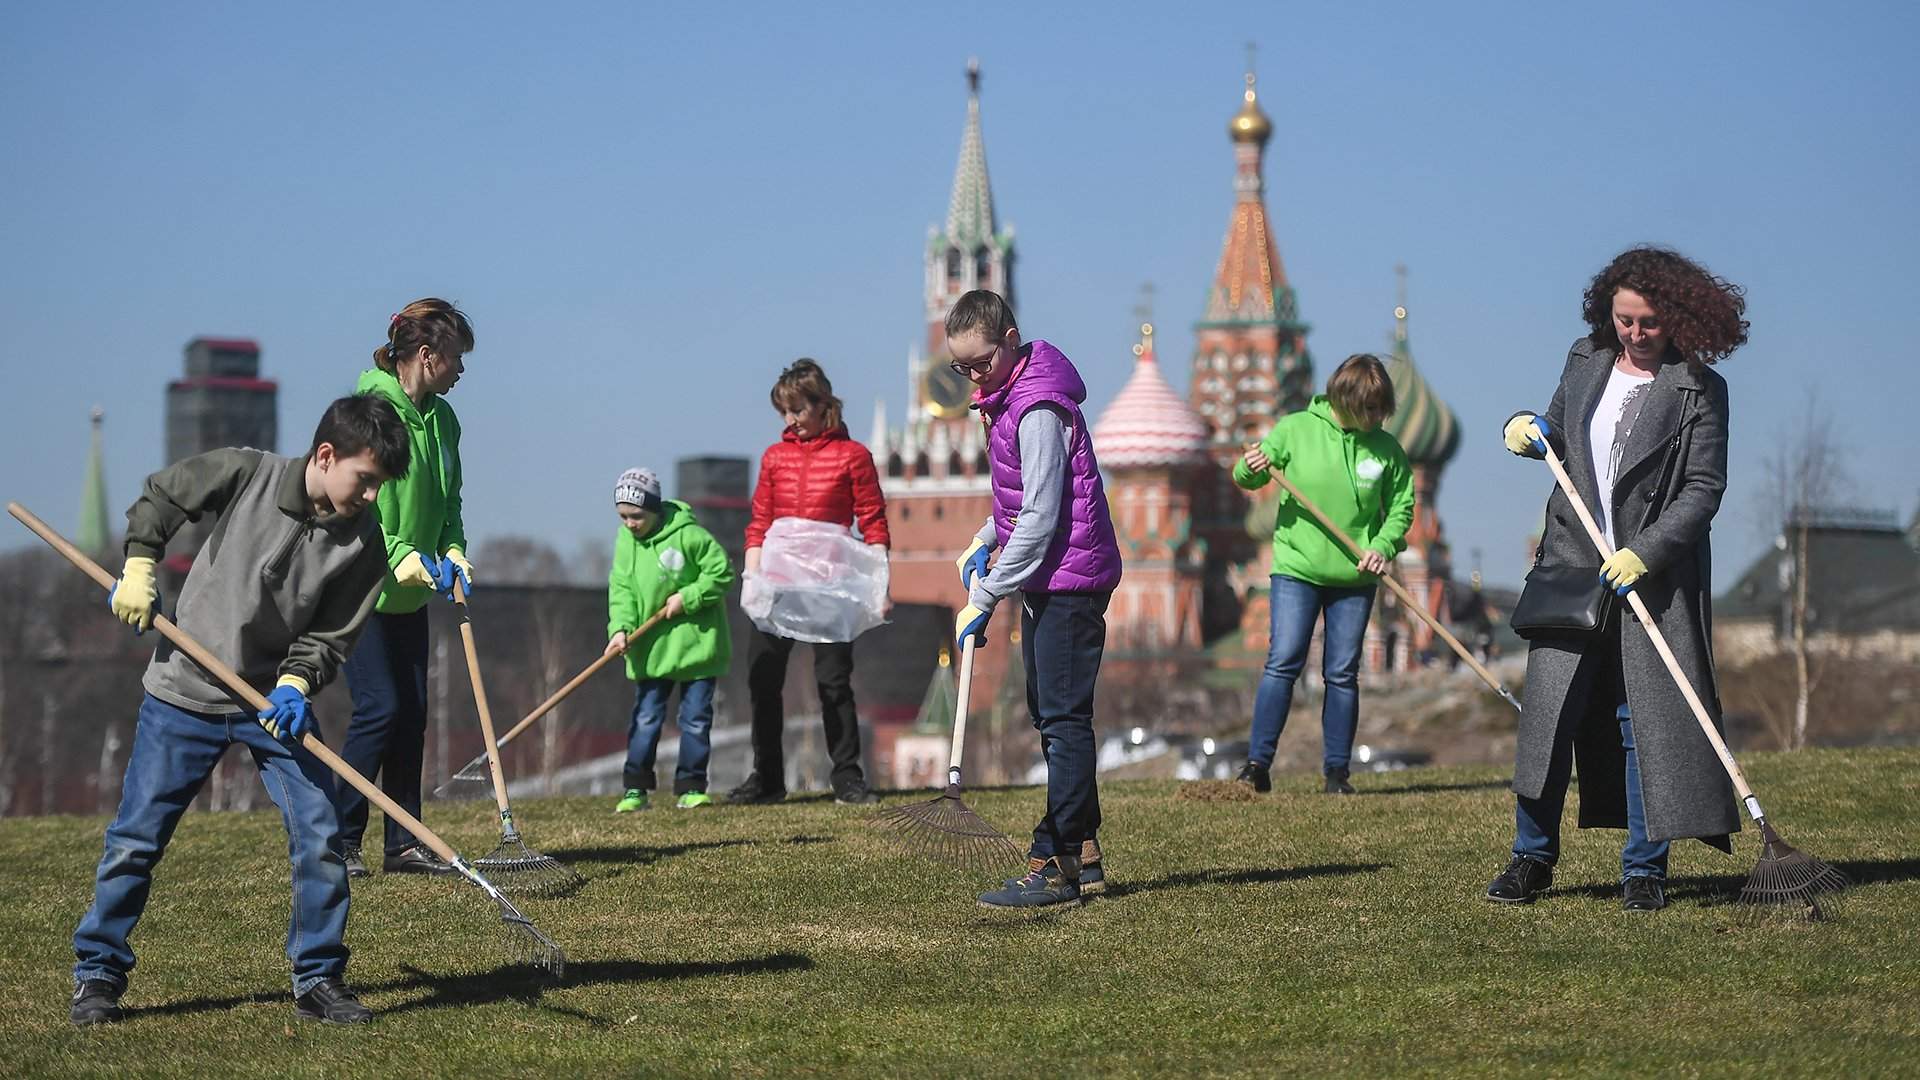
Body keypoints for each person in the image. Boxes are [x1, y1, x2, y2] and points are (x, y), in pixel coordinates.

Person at [70, 394, 411, 1027]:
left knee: (322, 836)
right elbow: (161, 496)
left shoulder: (364, 543)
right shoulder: (245, 472)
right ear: (326, 455)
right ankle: (98, 973)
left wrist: (296, 684)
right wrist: (141, 562)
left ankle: (318, 978)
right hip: (184, 692)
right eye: (365, 481)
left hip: (273, 708)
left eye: (379, 487)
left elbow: (331, 636)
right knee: (136, 840)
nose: (369, 497)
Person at [1487, 246, 1748, 913]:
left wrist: (1648, 551)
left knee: (1645, 725)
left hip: (1650, 581)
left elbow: (1702, 489)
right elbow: (1557, 436)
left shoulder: (1699, 389)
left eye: (1648, 323)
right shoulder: (1584, 359)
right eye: (1623, 319)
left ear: (1679, 319)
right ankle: (1530, 859)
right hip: (1572, 565)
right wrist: (1527, 427)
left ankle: (1644, 871)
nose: (1633, 333)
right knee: (1549, 720)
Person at [945, 289, 1123, 909]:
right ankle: (1089, 852)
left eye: (980, 362)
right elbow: (1025, 501)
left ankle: (1056, 862)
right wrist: (983, 535)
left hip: (1071, 577)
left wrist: (989, 592)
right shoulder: (1007, 399)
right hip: (1051, 575)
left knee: (1065, 719)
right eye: (959, 367)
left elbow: (1045, 515)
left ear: (1011, 341)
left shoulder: (1036, 408)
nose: (972, 376)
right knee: (1048, 710)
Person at [1231, 354, 1415, 795]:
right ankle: (1257, 766)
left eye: (1381, 409)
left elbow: (1402, 508)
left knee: (1342, 671)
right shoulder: (1296, 429)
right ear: (1345, 400)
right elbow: (1248, 477)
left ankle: (1337, 772)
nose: (1377, 417)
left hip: (1355, 575)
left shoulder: (1386, 449)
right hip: (1298, 567)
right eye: (1370, 408)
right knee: (1284, 660)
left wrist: (1382, 546)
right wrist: (1250, 466)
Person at [336, 298, 474, 877]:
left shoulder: (444, 421)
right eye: (456, 358)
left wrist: (453, 549)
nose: (463, 371)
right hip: (363, 588)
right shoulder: (371, 415)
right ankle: (338, 841)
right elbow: (362, 511)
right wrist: (406, 558)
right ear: (426, 354)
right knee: (379, 709)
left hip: (410, 594)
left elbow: (448, 503)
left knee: (413, 711)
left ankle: (404, 840)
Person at [730, 359, 891, 806]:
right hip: (778, 582)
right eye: (784, 411)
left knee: (834, 682)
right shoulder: (774, 458)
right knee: (762, 679)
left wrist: (879, 587)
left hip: (828, 584)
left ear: (824, 405)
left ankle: (847, 777)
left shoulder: (853, 457)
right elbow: (760, 520)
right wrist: (753, 576)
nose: (790, 420)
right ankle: (767, 778)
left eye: (798, 409)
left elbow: (873, 521)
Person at [605, 467, 734, 811]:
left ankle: (691, 787)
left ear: (654, 509)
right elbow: (621, 590)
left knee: (694, 719)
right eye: (623, 516)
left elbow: (722, 572)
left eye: (637, 516)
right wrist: (620, 628)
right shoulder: (625, 541)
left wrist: (688, 597)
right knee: (646, 719)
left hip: (697, 647)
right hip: (652, 650)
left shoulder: (689, 535)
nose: (630, 523)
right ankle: (636, 789)